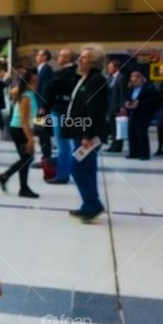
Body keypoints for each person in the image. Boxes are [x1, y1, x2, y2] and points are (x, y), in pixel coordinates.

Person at [64, 45, 109, 222]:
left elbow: (95, 110)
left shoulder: (96, 80)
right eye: (80, 57)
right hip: (81, 131)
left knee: (78, 168)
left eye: (84, 58)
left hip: (88, 134)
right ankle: (88, 205)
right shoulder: (86, 78)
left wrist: (87, 135)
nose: (79, 60)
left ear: (94, 62)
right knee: (87, 169)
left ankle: (93, 204)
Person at [0, 68, 40, 198]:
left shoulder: (27, 94)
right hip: (19, 129)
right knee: (27, 158)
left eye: (37, 81)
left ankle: (8, 178)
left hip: (20, 128)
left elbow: (13, 91)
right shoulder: (26, 97)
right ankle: (20, 186)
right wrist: (30, 140)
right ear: (28, 82)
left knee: (26, 158)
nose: (36, 84)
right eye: (34, 81)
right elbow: (24, 121)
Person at [46, 48, 77, 184]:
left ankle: (63, 175)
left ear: (68, 59)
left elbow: (53, 88)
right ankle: (64, 172)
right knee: (63, 144)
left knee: (63, 144)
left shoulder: (69, 73)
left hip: (62, 110)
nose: (58, 57)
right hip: (58, 109)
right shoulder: (62, 73)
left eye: (62, 55)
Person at [125, 71, 158, 160]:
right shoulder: (131, 88)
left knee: (141, 133)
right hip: (132, 113)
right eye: (132, 79)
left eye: (136, 79)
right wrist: (127, 103)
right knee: (132, 133)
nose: (134, 81)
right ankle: (133, 152)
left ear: (141, 79)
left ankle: (144, 153)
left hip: (144, 114)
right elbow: (128, 98)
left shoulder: (149, 88)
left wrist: (139, 103)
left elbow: (153, 101)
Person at [104, 59, 128, 153]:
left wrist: (122, 106)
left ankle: (118, 145)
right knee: (112, 127)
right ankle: (113, 144)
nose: (109, 69)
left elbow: (123, 93)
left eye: (110, 67)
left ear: (116, 68)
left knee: (118, 127)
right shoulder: (110, 78)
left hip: (117, 105)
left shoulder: (121, 78)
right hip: (110, 106)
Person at [35, 48, 54, 160]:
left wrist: (42, 105)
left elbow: (45, 89)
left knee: (43, 132)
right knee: (40, 131)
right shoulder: (41, 69)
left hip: (42, 107)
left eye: (39, 54)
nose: (37, 56)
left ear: (45, 57)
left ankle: (46, 157)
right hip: (39, 105)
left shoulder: (47, 69)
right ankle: (44, 156)